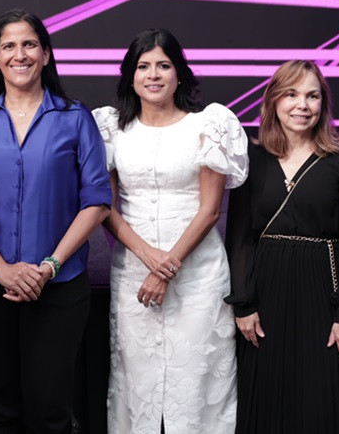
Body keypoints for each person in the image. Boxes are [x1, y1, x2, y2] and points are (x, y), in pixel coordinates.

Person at [0, 8, 111, 434]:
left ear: (47, 55)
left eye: (30, 44)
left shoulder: (75, 118)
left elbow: (97, 200)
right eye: (9, 46)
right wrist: (3, 271)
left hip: (60, 284)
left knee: (51, 412)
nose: (20, 54)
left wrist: (49, 266)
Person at [92, 28, 248, 434]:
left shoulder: (207, 124)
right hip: (133, 273)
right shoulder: (111, 129)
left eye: (164, 65)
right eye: (143, 66)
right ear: (130, 75)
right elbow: (106, 209)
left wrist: (167, 267)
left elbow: (210, 210)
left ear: (179, 73)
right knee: (135, 382)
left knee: (198, 381)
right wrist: (150, 261)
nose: (154, 74)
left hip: (198, 274)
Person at [224, 60, 339, 433]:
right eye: (291, 94)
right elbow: (239, 236)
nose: (302, 105)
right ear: (273, 100)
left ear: (324, 104)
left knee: (325, 401)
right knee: (269, 399)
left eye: (312, 95)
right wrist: (244, 303)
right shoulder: (251, 160)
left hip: (325, 290)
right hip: (266, 294)